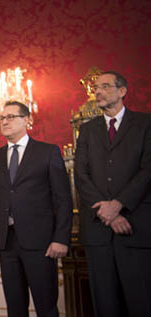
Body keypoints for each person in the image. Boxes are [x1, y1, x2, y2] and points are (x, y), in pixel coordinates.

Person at [0, 101, 72, 317]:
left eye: (10, 117)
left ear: (27, 120)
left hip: (41, 242)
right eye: (2, 118)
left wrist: (61, 238)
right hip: (7, 242)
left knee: (46, 306)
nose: (4, 122)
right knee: (15, 308)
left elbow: (63, 199)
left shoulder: (47, 152)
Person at [74, 71, 151, 316]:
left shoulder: (145, 124)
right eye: (96, 87)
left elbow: (148, 170)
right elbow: (80, 175)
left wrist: (119, 204)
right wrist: (108, 213)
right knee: (105, 305)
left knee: (142, 302)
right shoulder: (87, 131)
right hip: (99, 231)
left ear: (122, 91)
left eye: (105, 86)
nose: (98, 91)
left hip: (136, 227)